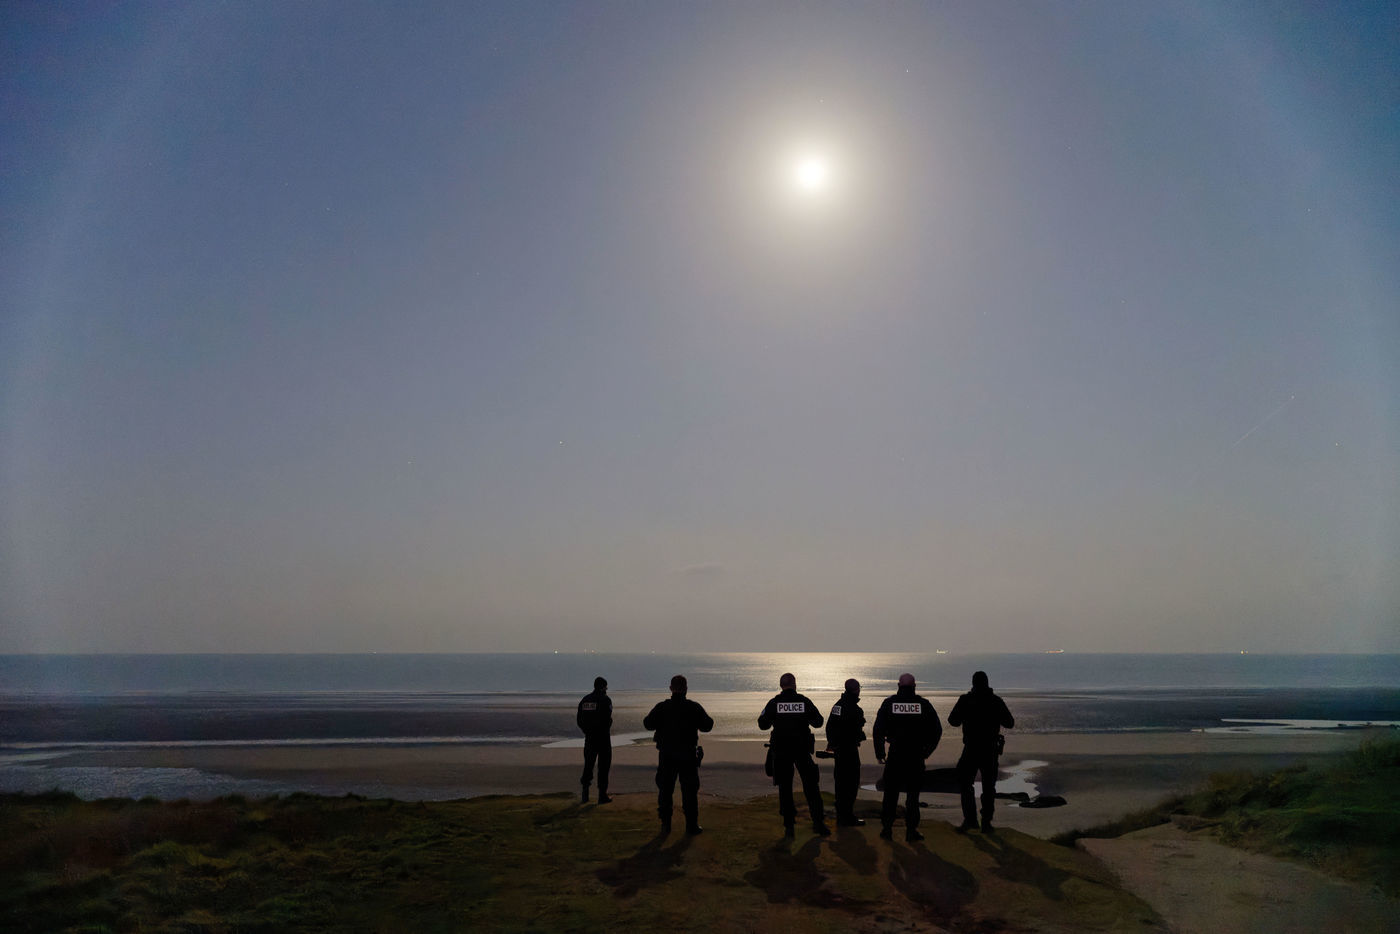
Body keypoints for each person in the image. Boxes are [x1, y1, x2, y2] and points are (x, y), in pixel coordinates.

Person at [757, 673, 830, 836]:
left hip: (781, 750)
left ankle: (789, 826)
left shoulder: (774, 703)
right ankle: (818, 823)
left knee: (785, 787)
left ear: (781, 685)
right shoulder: (804, 701)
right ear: (795, 684)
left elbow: (762, 724)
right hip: (801, 749)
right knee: (811, 786)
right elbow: (818, 722)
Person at [872, 672, 942, 842]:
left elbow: (878, 730)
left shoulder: (889, 704)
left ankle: (887, 829)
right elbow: (937, 730)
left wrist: (880, 753)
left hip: (895, 755)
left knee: (890, 795)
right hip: (915, 756)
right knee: (913, 796)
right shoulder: (923, 704)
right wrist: (927, 751)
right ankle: (911, 831)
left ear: (898, 686)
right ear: (914, 686)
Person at [642, 674, 713, 835]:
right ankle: (691, 826)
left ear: (671, 688)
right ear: (686, 689)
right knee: (689, 791)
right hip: (687, 756)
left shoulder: (662, 707)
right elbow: (708, 725)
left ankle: (666, 824)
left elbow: (647, 723)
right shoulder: (693, 707)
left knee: (665, 790)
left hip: (667, 755)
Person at [947, 669, 1015, 833]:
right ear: (987, 683)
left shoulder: (966, 700)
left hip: (971, 748)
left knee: (965, 783)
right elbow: (1009, 723)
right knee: (988, 787)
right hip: (989, 750)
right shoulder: (995, 701)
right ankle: (986, 822)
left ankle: (971, 820)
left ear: (973, 683)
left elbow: (953, 721)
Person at [825, 678, 867, 826]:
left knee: (840, 783)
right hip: (849, 751)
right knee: (851, 784)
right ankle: (847, 816)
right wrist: (860, 735)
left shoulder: (837, 706)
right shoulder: (855, 709)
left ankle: (841, 814)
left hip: (839, 751)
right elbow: (855, 731)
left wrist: (833, 743)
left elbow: (829, 727)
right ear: (856, 690)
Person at [576, 676, 613, 804]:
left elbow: (579, 719)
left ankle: (585, 793)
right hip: (603, 738)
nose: (606, 690)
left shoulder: (585, 700)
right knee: (603, 767)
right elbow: (608, 718)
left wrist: (587, 731)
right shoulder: (605, 700)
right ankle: (602, 795)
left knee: (588, 765)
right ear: (603, 687)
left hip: (590, 738)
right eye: (606, 687)